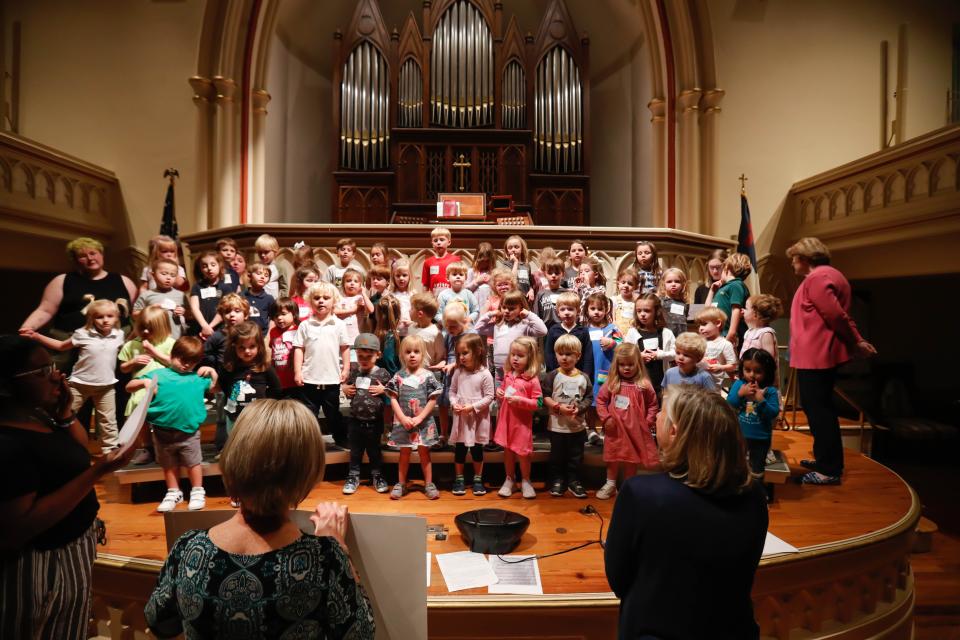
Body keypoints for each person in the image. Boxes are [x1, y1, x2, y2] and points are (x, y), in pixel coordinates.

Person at [145, 399, 375, 639]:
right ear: (307, 471)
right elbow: (361, 634)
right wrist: (340, 546)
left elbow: (160, 622)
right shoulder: (325, 558)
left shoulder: (189, 548)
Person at [604, 386, 768, 640]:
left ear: (674, 431)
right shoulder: (754, 494)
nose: (656, 417)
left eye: (662, 413)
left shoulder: (641, 494)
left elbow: (619, 578)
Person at [0, 335, 134, 640]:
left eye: (53, 366)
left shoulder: (39, 415)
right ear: (7, 386)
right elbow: (18, 527)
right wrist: (99, 470)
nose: (56, 376)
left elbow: (76, 451)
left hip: (72, 549)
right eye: (42, 372)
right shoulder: (7, 442)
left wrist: (63, 411)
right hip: (36, 564)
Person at [787, 237, 876, 485]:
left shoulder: (818, 278)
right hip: (815, 353)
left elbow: (836, 315)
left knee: (820, 412)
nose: (793, 264)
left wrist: (856, 340)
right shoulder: (829, 275)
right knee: (819, 410)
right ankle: (825, 459)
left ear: (804, 259)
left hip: (816, 355)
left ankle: (829, 469)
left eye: (794, 259)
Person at [127, 336, 218, 512]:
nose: (185, 365)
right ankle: (173, 491)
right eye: (182, 359)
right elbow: (129, 386)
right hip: (162, 431)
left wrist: (213, 372)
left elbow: (215, 388)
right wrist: (143, 382)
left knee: (193, 463)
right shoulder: (158, 374)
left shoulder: (198, 378)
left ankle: (198, 490)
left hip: (189, 432)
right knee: (168, 464)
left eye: (191, 362)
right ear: (173, 354)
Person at [22, 299, 125, 452]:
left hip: (106, 386)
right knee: (64, 414)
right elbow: (61, 346)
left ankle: (110, 452)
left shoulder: (119, 335)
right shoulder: (82, 334)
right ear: (91, 318)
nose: (105, 320)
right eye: (99, 317)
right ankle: (54, 445)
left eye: (110, 316)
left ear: (116, 317)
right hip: (80, 384)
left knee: (108, 421)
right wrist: (37, 337)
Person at [20, 236, 139, 346]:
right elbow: (45, 310)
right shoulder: (62, 280)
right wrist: (28, 327)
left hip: (117, 342)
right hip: (70, 342)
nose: (90, 258)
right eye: (82, 256)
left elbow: (137, 311)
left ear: (101, 255)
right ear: (75, 260)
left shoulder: (123, 280)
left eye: (93, 253)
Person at [595, 343, 659, 500]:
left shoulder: (644, 385)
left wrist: (648, 421)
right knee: (613, 456)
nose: (626, 368)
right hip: (615, 429)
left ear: (638, 364)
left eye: (630, 364)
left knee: (632, 458)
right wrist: (606, 418)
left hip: (635, 430)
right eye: (622, 365)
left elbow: (653, 404)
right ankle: (610, 484)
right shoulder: (612, 383)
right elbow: (601, 401)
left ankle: (628, 486)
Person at [292, 282, 351, 449]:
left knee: (333, 414)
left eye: (326, 298)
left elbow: (345, 348)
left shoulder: (338, 324)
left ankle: (340, 438)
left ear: (334, 301)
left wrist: (346, 368)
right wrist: (298, 372)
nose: (321, 301)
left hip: (331, 380)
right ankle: (308, 441)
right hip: (309, 379)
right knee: (309, 414)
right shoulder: (305, 325)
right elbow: (299, 349)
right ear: (310, 302)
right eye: (317, 298)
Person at [385, 335, 443, 500]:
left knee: (425, 453)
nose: (412, 355)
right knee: (404, 453)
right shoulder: (398, 376)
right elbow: (393, 397)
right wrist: (402, 418)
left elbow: (433, 398)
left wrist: (420, 418)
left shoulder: (428, 376)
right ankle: (401, 484)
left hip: (423, 423)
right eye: (408, 351)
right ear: (402, 355)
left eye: (416, 351)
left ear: (423, 354)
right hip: (404, 423)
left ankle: (429, 484)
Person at [542, 334, 593, 499]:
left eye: (569, 354)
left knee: (576, 456)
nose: (564, 357)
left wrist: (579, 409)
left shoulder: (583, 377)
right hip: (557, 426)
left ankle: (574, 480)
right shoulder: (552, 376)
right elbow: (544, 396)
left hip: (577, 426)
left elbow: (589, 397)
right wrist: (558, 407)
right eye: (560, 353)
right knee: (556, 456)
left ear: (578, 356)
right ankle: (557, 480)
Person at [342, 333, 391, 495]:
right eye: (360, 356)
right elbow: (347, 387)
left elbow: (393, 392)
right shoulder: (355, 371)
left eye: (368, 356)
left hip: (374, 421)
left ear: (378, 355)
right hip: (355, 420)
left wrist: (384, 390)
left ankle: (377, 475)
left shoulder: (382, 373)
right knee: (355, 452)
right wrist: (345, 389)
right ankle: (353, 476)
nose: (363, 359)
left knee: (374, 451)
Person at [494, 337, 543, 499]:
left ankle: (526, 480)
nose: (515, 358)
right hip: (506, 421)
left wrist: (521, 401)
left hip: (521, 424)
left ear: (530, 357)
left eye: (520, 355)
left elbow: (539, 402)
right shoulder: (508, 375)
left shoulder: (532, 379)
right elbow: (503, 391)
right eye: (513, 354)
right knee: (507, 452)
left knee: (523, 454)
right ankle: (509, 479)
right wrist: (499, 393)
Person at [448, 333, 495, 496]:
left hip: (477, 418)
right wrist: (454, 403)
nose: (461, 357)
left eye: (465, 353)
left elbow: (490, 397)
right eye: (459, 354)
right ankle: (459, 479)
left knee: (477, 449)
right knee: (459, 449)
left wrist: (473, 407)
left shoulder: (484, 374)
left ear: (478, 351)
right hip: (461, 417)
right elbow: (452, 391)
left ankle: (477, 479)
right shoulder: (458, 372)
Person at [728, 348, 781, 480]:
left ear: (767, 372)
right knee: (736, 465)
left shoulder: (770, 391)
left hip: (761, 438)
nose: (752, 375)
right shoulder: (739, 384)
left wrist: (760, 399)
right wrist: (741, 394)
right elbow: (730, 403)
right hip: (740, 435)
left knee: (757, 468)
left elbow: (773, 413)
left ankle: (757, 492)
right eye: (747, 370)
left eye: (758, 371)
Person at [624, 293, 676, 397]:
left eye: (647, 311)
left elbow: (676, 354)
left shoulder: (666, 333)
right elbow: (625, 356)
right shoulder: (632, 333)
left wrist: (660, 355)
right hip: (639, 384)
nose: (642, 314)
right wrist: (639, 357)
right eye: (639, 311)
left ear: (656, 312)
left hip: (661, 384)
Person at [704, 252, 752, 349]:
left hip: (728, 335)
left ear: (727, 269)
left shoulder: (736, 285)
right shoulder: (724, 287)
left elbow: (736, 310)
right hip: (719, 335)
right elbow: (707, 311)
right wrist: (712, 291)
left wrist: (731, 333)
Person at [133, 257, 187, 337]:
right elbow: (135, 315)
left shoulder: (181, 295)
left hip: (176, 338)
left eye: (173, 275)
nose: (168, 278)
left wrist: (183, 311)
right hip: (154, 338)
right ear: (153, 275)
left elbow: (190, 314)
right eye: (164, 274)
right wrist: (151, 309)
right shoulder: (146, 295)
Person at [187, 251, 234, 338]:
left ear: (219, 265)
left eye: (213, 265)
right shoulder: (197, 286)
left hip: (221, 329)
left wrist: (210, 327)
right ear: (200, 269)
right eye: (204, 266)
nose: (209, 268)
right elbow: (194, 307)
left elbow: (224, 310)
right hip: (200, 329)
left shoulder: (226, 288)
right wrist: (204, 326)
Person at [696, 307, 738, 390]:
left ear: (718, 323)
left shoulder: (725, 344)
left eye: (704, 324)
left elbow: (733, 366)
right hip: (697, 382)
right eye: (699, 325)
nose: (701, 328)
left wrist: (720, 367)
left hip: (714, 384)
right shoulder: (699, 342)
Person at [741, 293, 783, 361]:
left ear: (756, 314)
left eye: (746, 308)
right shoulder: (749, 331)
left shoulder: (765, 334)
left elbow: (768, 359)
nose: (742, 310)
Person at [421, 227, 460, 295]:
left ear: (449, 242)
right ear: (432, 243)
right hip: (435, 299)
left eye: (442, 240)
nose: (438, 243)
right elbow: (425, 285)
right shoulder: (428, 262)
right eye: (435, 241)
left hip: (452, 297)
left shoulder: (456, 260)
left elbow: (461, 281)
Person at [242, 262, 275, 334]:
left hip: (262, 335)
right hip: (244, 334)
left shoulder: (269, 299)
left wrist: (269, 335)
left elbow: (273, 319)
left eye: (266, 275)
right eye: (259, 273)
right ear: (250, 276)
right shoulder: (241, 296)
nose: (263, 277)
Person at [659, 267, 690, 339]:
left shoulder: (684, 303)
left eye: (677, 281)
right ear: (663, 284)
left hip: (682, 336)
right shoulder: (660, 301)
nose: (673, 284)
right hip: (666, 336)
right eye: (669, 282)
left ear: (683, 284)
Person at [255, 233, 286, 299]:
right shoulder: (256, 267)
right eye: (260, 252)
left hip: (274, 302)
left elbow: (284, 287)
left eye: (266, 252)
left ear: (275, 251)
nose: (263, 255)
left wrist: (281, 300)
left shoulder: (279, 267)